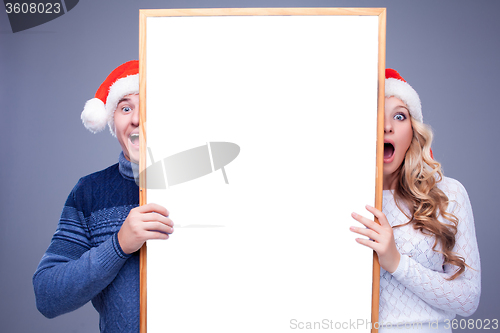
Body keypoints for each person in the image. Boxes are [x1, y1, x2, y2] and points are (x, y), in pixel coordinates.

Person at [33, 60, 174, 332]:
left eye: (147, 104)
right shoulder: (90, 192)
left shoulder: (213, 183)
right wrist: (119, 244)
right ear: (111, 120)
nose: (136, 118)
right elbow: (47, 295)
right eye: (125, 108)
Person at [350, 69, 481, 332]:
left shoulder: (448, 194)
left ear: (413, 131)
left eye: (399, 116)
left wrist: (395, 261)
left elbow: (468, 300)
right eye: (377, 114)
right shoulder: (344, 200)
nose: (387, 126)